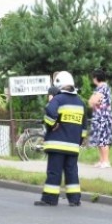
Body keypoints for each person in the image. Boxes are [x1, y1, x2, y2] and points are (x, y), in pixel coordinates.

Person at [35, 71, 88, 207]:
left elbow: (49, 112)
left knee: (54, 172)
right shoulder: (80, 103)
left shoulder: (58, 99)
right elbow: (84, 127)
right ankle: (75, 199)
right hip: (73, 146)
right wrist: (79, 142)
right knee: (72, 173)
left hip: (57, 145)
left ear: (59, 85)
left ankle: (50, 199)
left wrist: (52, 125)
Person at [88, 68, 112, 168]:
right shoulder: (99, 88)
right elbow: (91, 101)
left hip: (103, 116)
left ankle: (106, 161)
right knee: (99, 138)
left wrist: (94, 101)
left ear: (95, 78)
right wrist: (93, 101)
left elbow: (92, 101)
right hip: (99, 115)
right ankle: (102, 160)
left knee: (103, 138)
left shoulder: (103, 87)